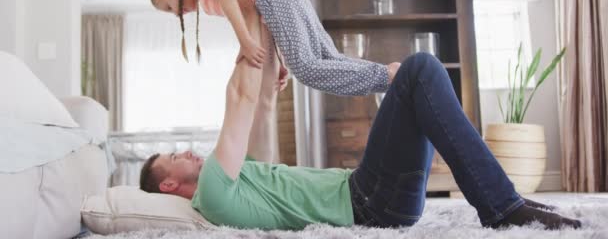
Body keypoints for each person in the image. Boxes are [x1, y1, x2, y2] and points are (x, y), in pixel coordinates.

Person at [139, 17, 582, 231]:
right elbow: (240, 96)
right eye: (175, 158)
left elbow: (263, 107)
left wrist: (271, 50)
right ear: (169, 187)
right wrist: (248, 26)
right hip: (370, 200)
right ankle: (502, 207)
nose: (187, 152)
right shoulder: (214, 191)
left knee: (420, 75)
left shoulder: (238, 182)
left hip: (378, 195)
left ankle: (503, 201)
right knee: (420, 70)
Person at [148, 0, 401, 96]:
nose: (178, 14)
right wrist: (280, 63)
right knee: (330, 60)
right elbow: (263, 22)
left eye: (170, 7)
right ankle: (391, 76)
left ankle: (386, 76)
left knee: (307, 69)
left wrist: (246, 43)